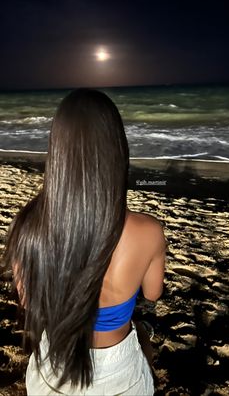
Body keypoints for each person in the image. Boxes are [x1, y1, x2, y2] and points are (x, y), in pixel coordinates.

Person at [4, 88, 166, 395]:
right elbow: (153, 292)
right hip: (119, 376)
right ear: (117, 150)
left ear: (58, 150)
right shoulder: (148, 230)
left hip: (52, 370)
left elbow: (27, 300)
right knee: (142, 336)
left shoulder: (28, 224)